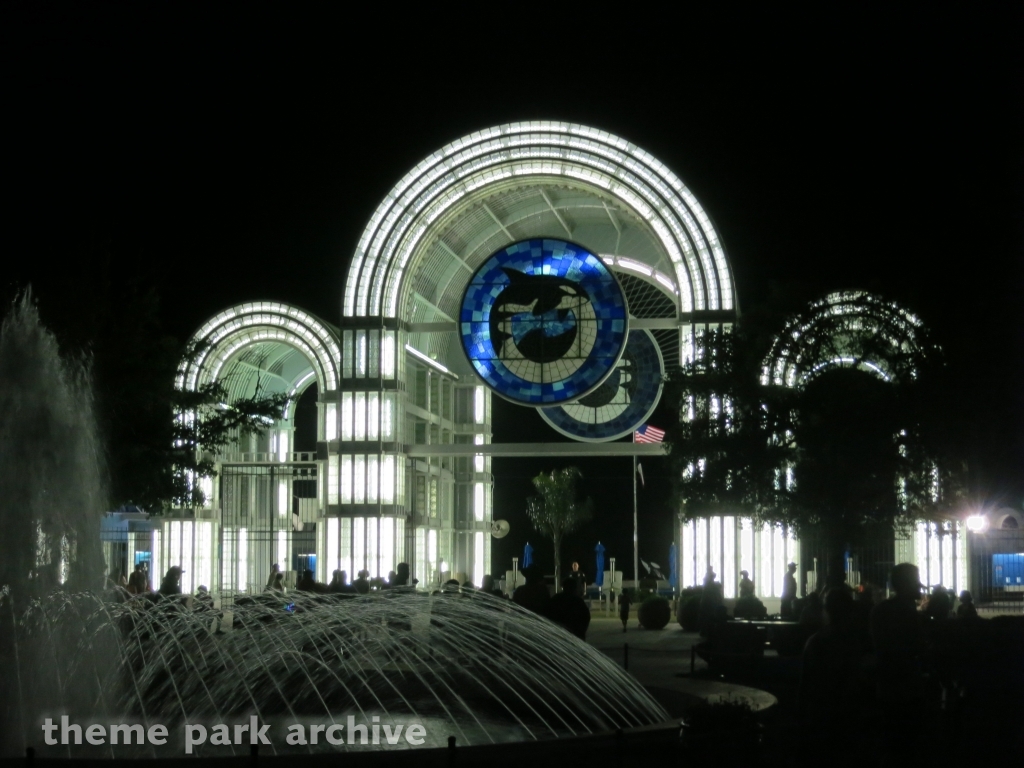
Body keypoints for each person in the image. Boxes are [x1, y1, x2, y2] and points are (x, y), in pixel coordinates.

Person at [871, 563, 926, 765]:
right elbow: (916, 647)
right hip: (906, 685)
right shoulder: (907, 613)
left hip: (887, 684)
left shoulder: (881, 611)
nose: (920, 588)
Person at [698, 566, 723, 636]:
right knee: (707, 616)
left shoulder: (710, 584)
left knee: (708, 616)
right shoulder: (709, 583)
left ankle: (707, 631)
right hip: (708, 602)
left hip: (709, 602)